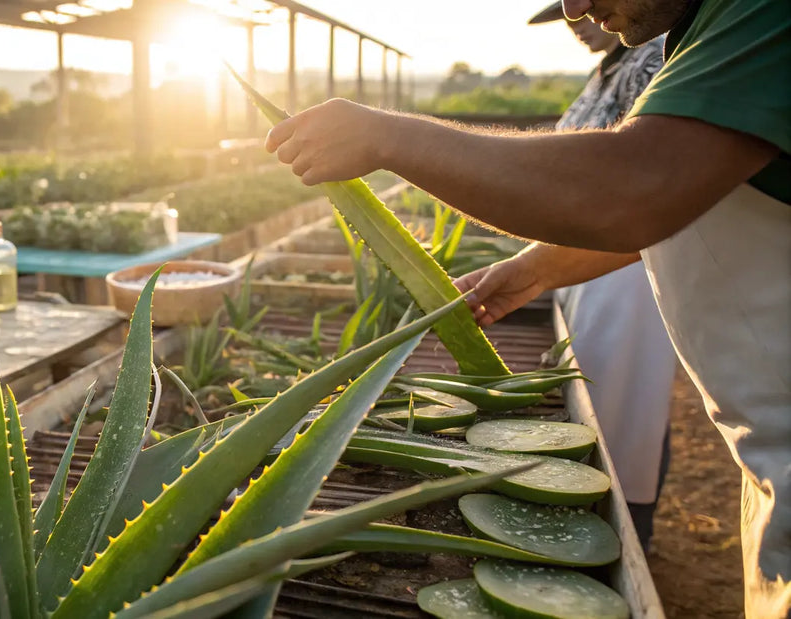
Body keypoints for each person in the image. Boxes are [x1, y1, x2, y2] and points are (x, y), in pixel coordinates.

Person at [263, 0, 790, 615]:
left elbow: (638, 185)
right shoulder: (708, 27)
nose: (576, 8)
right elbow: (696, 197)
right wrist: (533, 268)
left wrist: (389, 137)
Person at [530, 1, 676, 551]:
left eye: (584, 14)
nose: (578, 22)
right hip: (584, 254)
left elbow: (630, 171)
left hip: (627, 266)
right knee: (602, 393)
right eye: (567, 18)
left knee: (623, 401)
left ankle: (625, 530)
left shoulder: (651, 57)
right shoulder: (605, 72)